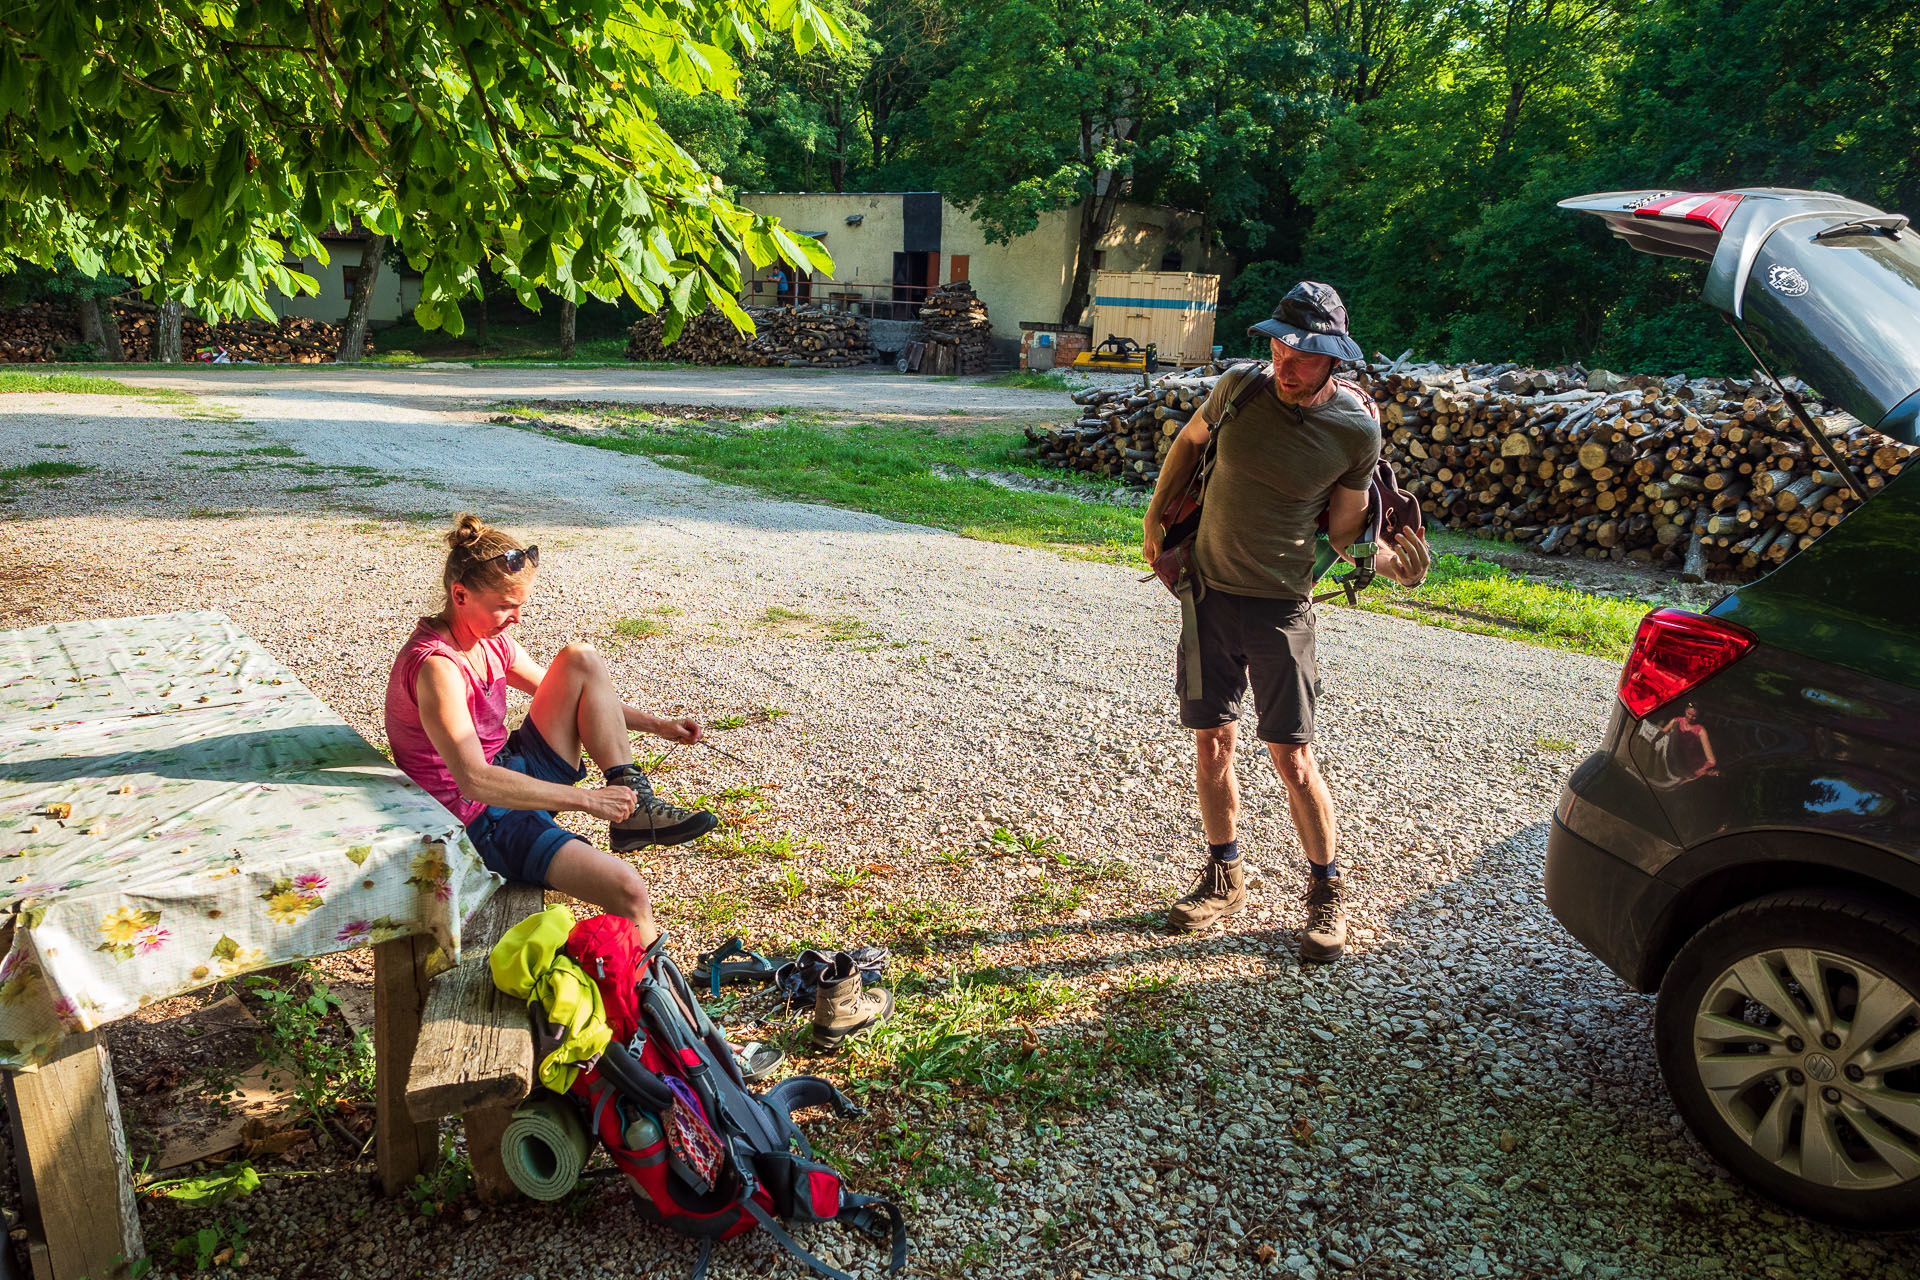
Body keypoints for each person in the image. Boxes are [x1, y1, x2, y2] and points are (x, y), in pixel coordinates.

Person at [1141, 282, 1431, 962]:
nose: (1286, 363)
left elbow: (1347, 530)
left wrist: (1394, 567)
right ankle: (1223, 877)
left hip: (1280, 610)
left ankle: (1326, 894)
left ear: (1335, 360)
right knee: (1211, 743)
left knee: (1292, 757)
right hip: (1206, 595)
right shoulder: (1238, 390)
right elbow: (1187, 445)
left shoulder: (1355, 429)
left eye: (1303, 353)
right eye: (1279, 345)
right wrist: (1155, 517)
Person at [384, 514, 718, 943]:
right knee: (629, 890)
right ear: (460, 594)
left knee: (581, 659)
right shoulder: (436, 666)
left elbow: (571, 690)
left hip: (509, 771)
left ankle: (635, 805)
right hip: (478, 819)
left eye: (521, 604)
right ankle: (650, 1004)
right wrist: (587, 801)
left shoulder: (488, 637)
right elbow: (473, 780)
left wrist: (659, 725)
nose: (516, 617)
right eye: (505, 606)